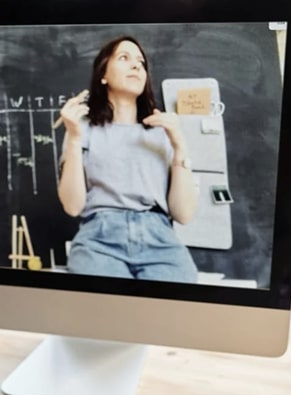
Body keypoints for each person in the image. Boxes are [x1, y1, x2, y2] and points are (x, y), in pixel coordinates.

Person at [57, 35, 198, 283]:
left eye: (141, 63)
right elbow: (73, 206)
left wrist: (179, 145)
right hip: (99, 237)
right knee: (108, 315)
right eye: (124, 58)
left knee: (177, 313)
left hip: (159, 237)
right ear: (103, 75)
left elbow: (184, 214)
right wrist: (75, 138)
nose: (136, 66)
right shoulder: (82, 128)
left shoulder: (162, 131)